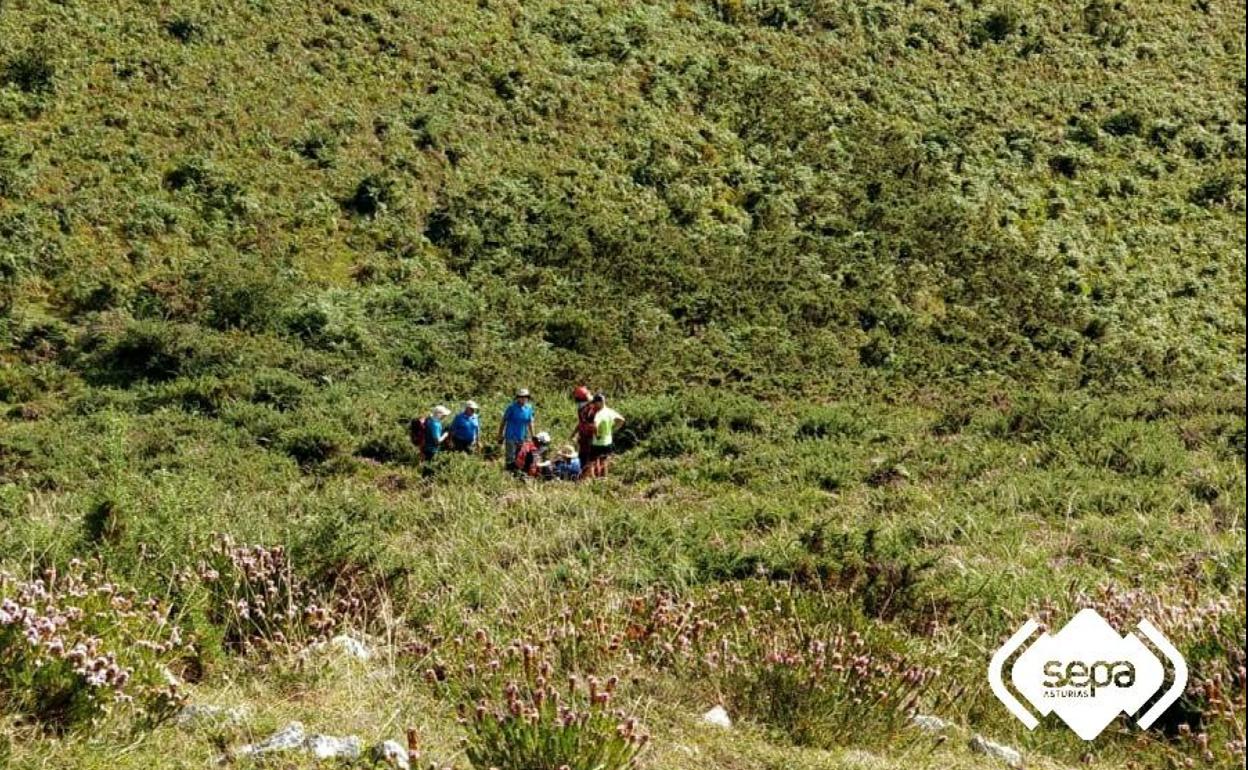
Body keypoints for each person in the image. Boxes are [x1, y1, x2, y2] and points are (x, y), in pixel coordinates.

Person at [588, 393, 624, 478]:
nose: (594, 405)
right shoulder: (610, 411)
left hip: (597, 443)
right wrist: (613, 430)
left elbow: (595, 425)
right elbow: (621, 420)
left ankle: (594, 480)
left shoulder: (599, 414)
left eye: (595, 403)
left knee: (592, 462)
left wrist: (597, 435)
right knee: (604, 462)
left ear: (599, 402)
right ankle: (604, 479)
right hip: (608, 441)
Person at [498, 388, 536, 468]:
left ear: (528, 398)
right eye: (521, 397)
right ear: (518, 397)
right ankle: (508, 472)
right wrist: (500, 434)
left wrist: (533, 435)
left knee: (519, 456)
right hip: (511, 435)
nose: (523, 398)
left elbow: (530, 422)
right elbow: (504, 420)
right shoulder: (512, 407)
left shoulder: (529, 408)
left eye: (525, 397)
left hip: (522, 436)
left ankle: (516, 473)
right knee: (510, 458)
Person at [569, 385, 600, 468]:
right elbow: (581, 423)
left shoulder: (591, 409)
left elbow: (593, 425)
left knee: (590, 459)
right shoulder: (582, 409)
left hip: (590, 438)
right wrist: (574, 433)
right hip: (584, 438)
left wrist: (595, 437)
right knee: (583, 458)